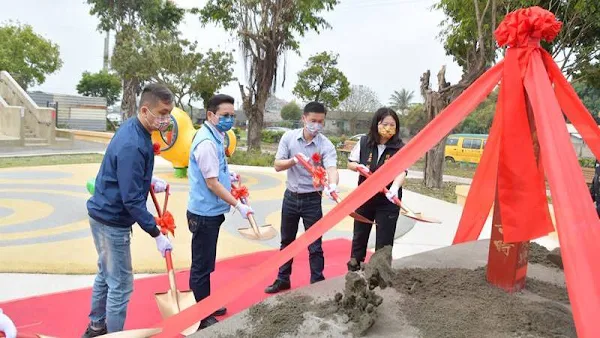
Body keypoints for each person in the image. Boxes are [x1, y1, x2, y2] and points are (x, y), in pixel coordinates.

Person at [83, 83, 174, 337]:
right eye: (162, 112)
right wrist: (156, 234)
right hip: (112, 220)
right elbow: (131, 201)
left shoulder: (136, 130)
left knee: (105, 273)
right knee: (121, 285)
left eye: (169, 113)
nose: (166, 119)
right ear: (145, 110)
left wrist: (149, 180)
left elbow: (126, 176)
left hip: (102, 213)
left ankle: (96, 326)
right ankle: (113, 334)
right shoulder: (133, 142)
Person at [187, 94, 254, 330]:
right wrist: (238, 205)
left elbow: (217, 173)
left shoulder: (217, 136)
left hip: (211, 211)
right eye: (224, 115)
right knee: (202, 265)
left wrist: (230, 176)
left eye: (232, 116)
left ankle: (205, 303)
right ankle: (201, 314)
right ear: (210, 115)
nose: (229, 119)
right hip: (204, 213)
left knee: (207, 263)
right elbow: (212, 183)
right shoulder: (206, 142)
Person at [265, 101, 339, 294]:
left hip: (312, 199)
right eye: (313, 120)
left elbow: (331, 167)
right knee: (287, 241)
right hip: (290, 197)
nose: (316, 125)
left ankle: (317, 283)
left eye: (320, 122)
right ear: (303, 118)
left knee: (315, 245)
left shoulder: (325, 145)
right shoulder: (289, 138)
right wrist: (294, 160)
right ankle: (283, 279)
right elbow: (277, 165)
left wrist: (333, 185)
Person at [346, 107, 407, 271]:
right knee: (360, 233)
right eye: (385, 124)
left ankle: (380, 272)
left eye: (392, 125)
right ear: (377, 124)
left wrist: (394, 188)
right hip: (365, 196)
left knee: (385, 237)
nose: (388, 128)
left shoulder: (400, 147)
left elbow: (402, 171)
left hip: (387, 200)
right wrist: (358, 167)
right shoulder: (364, 141)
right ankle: (355, 265)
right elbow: (350, 163)